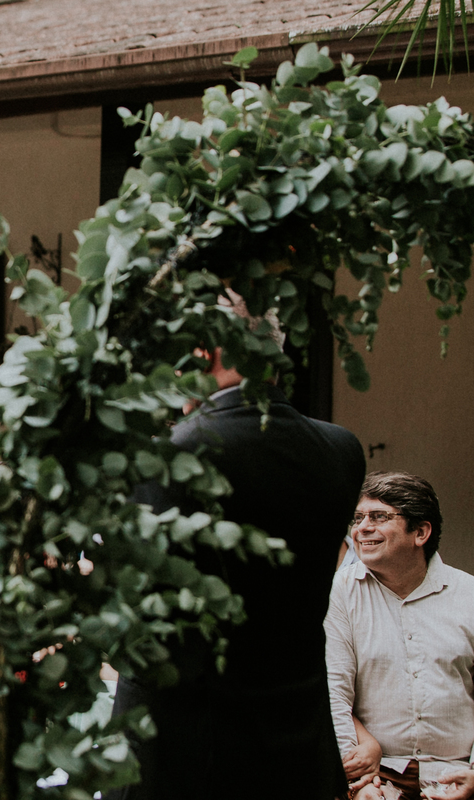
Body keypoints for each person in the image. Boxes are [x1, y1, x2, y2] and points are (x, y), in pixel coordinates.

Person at [108, 294, 366, 800]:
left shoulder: (166, 458)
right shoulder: (341, 450)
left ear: (203, 352)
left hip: (187, 756)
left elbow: (140, 625)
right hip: (297, 747)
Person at [326, 472, 474, 800]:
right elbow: (334, 693)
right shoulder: (340, 592)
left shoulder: (469, 594)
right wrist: (356, 782)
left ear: (420, 532)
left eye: (379, 517)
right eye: (358, 518)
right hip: (379, 778)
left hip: (458, 773)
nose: (362, 528)